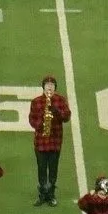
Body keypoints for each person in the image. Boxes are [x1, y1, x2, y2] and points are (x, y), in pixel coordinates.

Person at [29, 75, 70, 206]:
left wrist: (56, 111)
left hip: (55, 141)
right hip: (41, 141)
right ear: (43, 87)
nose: (49, 87)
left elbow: (66, 117)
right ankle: (42, 193)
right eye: (47, 85)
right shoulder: (36, 102)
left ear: (55, 88)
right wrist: (43, 121)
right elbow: (32, 121)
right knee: (41, 168)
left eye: (52, 86)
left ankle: (51, 194)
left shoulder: (60, 100)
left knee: (53, 169)